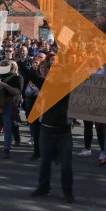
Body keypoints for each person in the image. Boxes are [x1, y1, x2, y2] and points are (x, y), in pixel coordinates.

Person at [19, 56, 75, 202]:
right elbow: (30, 74)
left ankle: (67, 192)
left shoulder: (70, 88)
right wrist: (19, 62)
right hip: (47, 131)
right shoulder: (45, 85)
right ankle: (44, 187)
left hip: (64, 132)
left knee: (66, 165)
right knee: (45, 162)